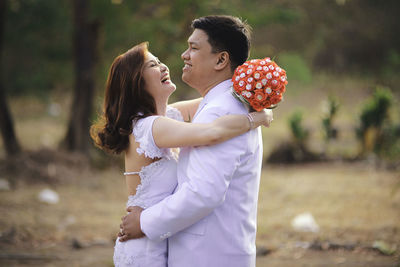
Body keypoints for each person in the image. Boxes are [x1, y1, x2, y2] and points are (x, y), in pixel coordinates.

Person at [91, 41, 272, 266]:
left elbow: (217, 97)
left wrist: (261, 88)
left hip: (159, 236)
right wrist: (257, 118)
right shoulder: (151, 127)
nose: (164, 66)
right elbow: (213, 132)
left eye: (159, 61)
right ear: (137, 81)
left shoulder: (169, 116)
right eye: (153, 65)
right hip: (145, 243)